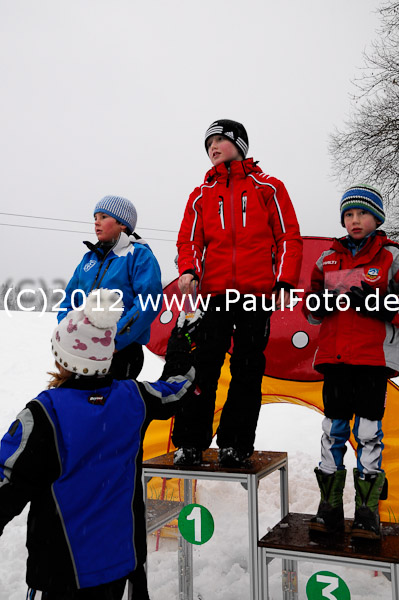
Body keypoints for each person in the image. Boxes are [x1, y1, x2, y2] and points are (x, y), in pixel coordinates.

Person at [0, 289, 201, 599]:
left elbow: (6, 483)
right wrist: (180, 341)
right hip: (120, 566)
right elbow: (176, 387)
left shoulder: (43, 415)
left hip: (63, 573)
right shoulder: (133, 398)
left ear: (61, 357)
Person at [172, 118, 303, 467]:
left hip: (255, 295)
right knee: (203, 368)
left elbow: (288, 237)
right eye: (208, 143)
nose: (213, 147)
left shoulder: (268, 187)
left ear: (239, 145)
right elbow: (189, 241)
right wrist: (188, 270)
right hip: (214, 295)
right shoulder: (200, 194)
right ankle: (190, 442)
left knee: (247, 369)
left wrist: (284, 281)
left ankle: (235, 443)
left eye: (220, 140)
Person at [304, 184, 399, 539]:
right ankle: (328, 508)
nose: (354, 220)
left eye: (361, 213)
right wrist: (318, 306)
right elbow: (309, 306)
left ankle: (367, 512)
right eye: (348, 214)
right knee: (333, 431)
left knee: (369, 432)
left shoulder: (392, 256)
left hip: (373, 359)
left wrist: (382, 305)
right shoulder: (326, 258)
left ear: (377, 217)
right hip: (335, 358)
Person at [58, 195, 163, 380]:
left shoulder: (139, 255)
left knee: (111, 404)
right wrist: (68, 328)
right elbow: (69, 299)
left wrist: (114, 340)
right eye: (95, 218)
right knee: (79, 401)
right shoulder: (88, 259)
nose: (96, 223)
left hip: (121, 350)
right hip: (83, 347)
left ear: (122, 224)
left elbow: (149, 302)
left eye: (103, 217)